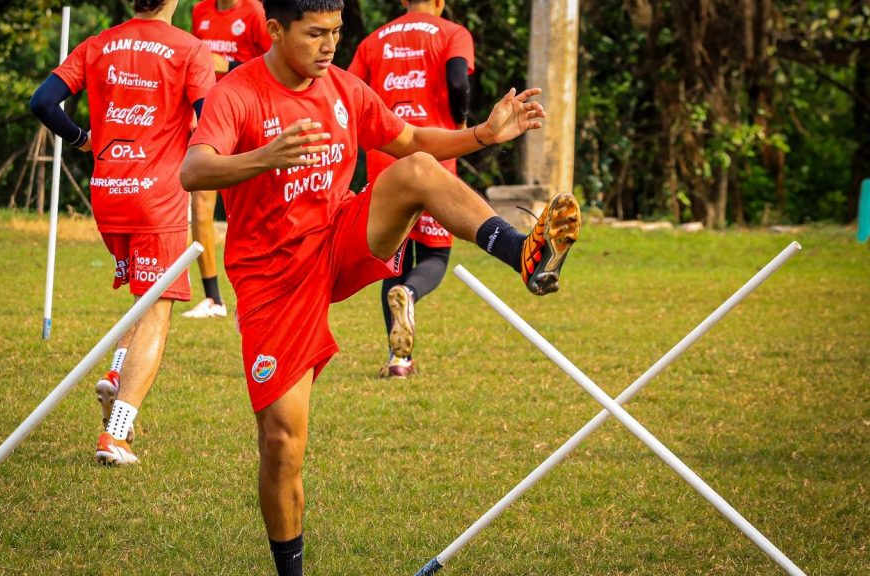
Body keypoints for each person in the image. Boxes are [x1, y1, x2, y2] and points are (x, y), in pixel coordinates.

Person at [179, 0, 580, 573]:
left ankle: (522, 253)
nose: (329, 46)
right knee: (281, 442)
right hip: (274, 279)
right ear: (275, 31)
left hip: (339, 237)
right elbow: (193, 170)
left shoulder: (344, 88)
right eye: (315, 34)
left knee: (415, 170)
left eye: (336, 32)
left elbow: (411, 137)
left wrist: (484, 134)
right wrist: (265, 157)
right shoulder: (238, 93)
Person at [29, 0, 214, 465]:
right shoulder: (190, 49)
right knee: (159, 309)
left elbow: (42, 102)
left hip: (109, 192)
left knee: (144, 297)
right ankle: (115, 434)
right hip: (157, 199)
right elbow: (212, 122)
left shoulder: (98, 44)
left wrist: (81, 139)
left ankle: (115, 373)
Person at [347, 0, 474, 378]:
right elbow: (458, 82)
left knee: (393, 259)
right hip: (434, 157)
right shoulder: (453, 33)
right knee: (436, 254)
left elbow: (350, 93)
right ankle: (412, 294)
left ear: (403, 1)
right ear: (441, 1)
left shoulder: (373, 41)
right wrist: (460, 122)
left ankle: (398, 361)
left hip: (386, 160)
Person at [182, 0, 272, 319]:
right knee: (200, 204)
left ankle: (257, 293)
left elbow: (276, 62)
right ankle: (213, 298)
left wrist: (230, 64)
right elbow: (197, 66)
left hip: (250, 117)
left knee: (253, 211)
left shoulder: (255, 12)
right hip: (211, 120)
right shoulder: (200, 11)